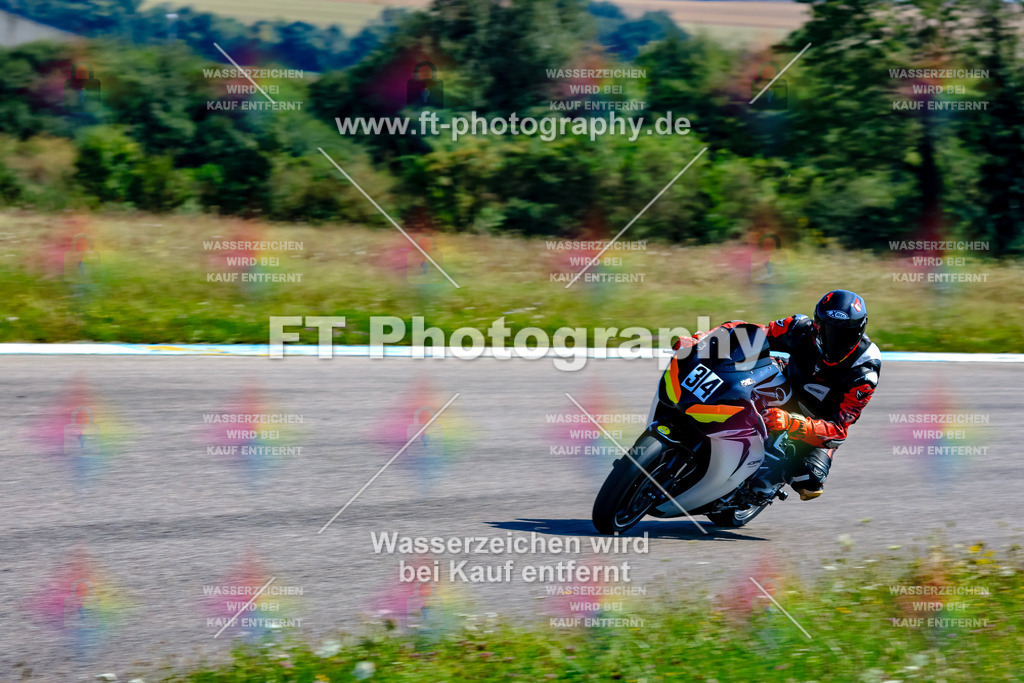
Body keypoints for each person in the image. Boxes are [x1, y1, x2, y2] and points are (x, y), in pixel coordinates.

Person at [757, 290, 880, 500]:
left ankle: (763, 483)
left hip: (815, 420)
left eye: (844, 335)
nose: (834, 341)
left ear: (859, 331)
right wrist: (705, 341)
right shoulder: (798, 327)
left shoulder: (864, 370)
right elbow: (751, 334)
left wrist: (792, 422)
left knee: (809, 481)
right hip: (785, 384)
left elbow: (839, 431)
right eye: (828, 330)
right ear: (816, 324)